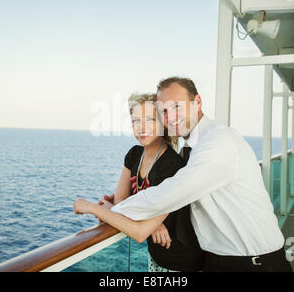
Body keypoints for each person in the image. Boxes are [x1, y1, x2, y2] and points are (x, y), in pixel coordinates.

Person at [104, 77, 292, 272]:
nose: (171, 117)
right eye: (163, 111)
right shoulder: (190, 149)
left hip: (253, 264)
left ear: (198, 102)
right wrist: (136, 205)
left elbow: (166, 196)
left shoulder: (217, 142)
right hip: (216, 260)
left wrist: (111, 209)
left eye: (177, 106)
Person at [74, 92, 205, 272]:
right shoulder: (134, 154)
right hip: (156, 257)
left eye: (150, 119)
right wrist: (150, 221)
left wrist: (95, 207)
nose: (141, 127)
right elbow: (120, 202)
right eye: (136, 121)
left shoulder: (172, 166)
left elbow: (139, 231)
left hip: (183, 263)